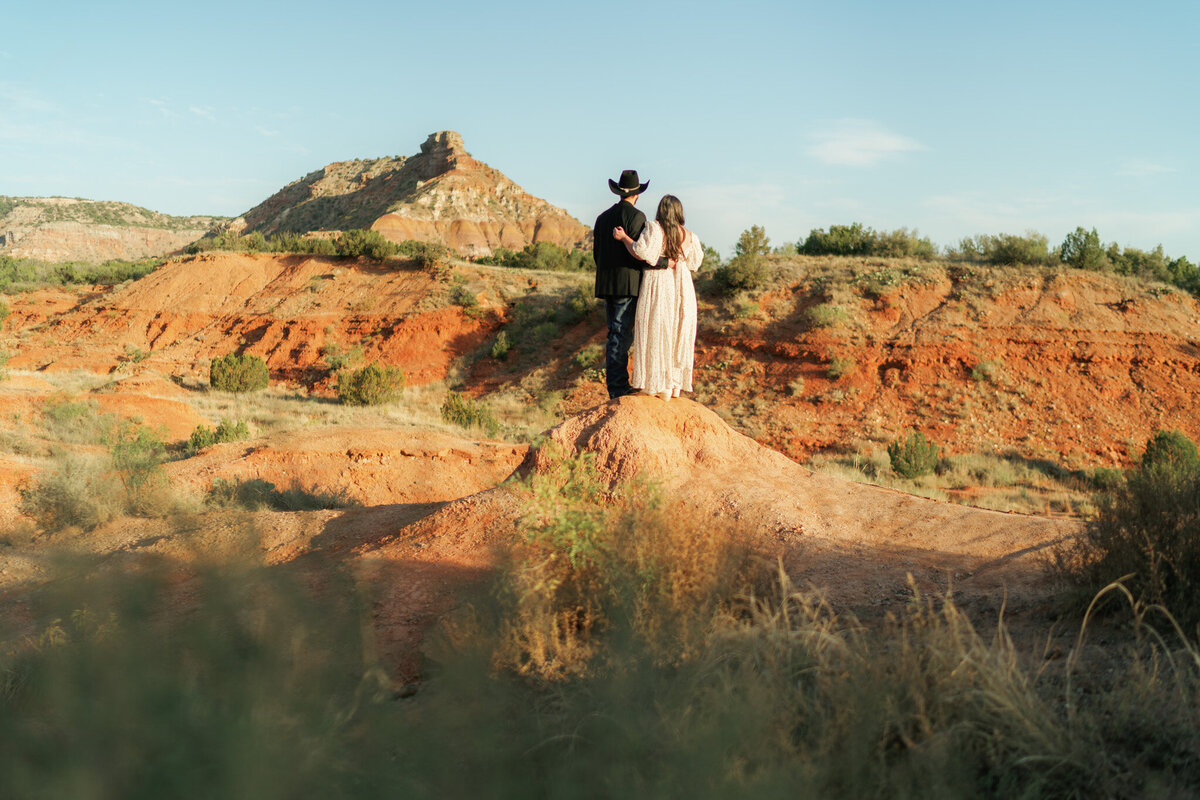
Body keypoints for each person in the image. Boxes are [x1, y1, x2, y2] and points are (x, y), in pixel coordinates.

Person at [612, 194, 701, 401]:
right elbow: (695, 263)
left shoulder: (654, 228)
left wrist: (624, 238)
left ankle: (657, 386)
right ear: (679, 211)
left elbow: (641, 252)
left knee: (657, 329)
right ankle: (674, 386)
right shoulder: (690, 235)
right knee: (677, 332)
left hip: (660, 284)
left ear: (661, 210)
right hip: (683, 286)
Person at [592, 170, 667, 399]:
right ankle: (618, 388)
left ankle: (618, 385)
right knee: (621, 335)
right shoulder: (637, 217)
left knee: (615, 333)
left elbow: (597, 254)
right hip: (628, 283)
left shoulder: (602, 218)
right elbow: (641, 253)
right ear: (637, 194)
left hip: (607, 283)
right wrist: (665, 263)